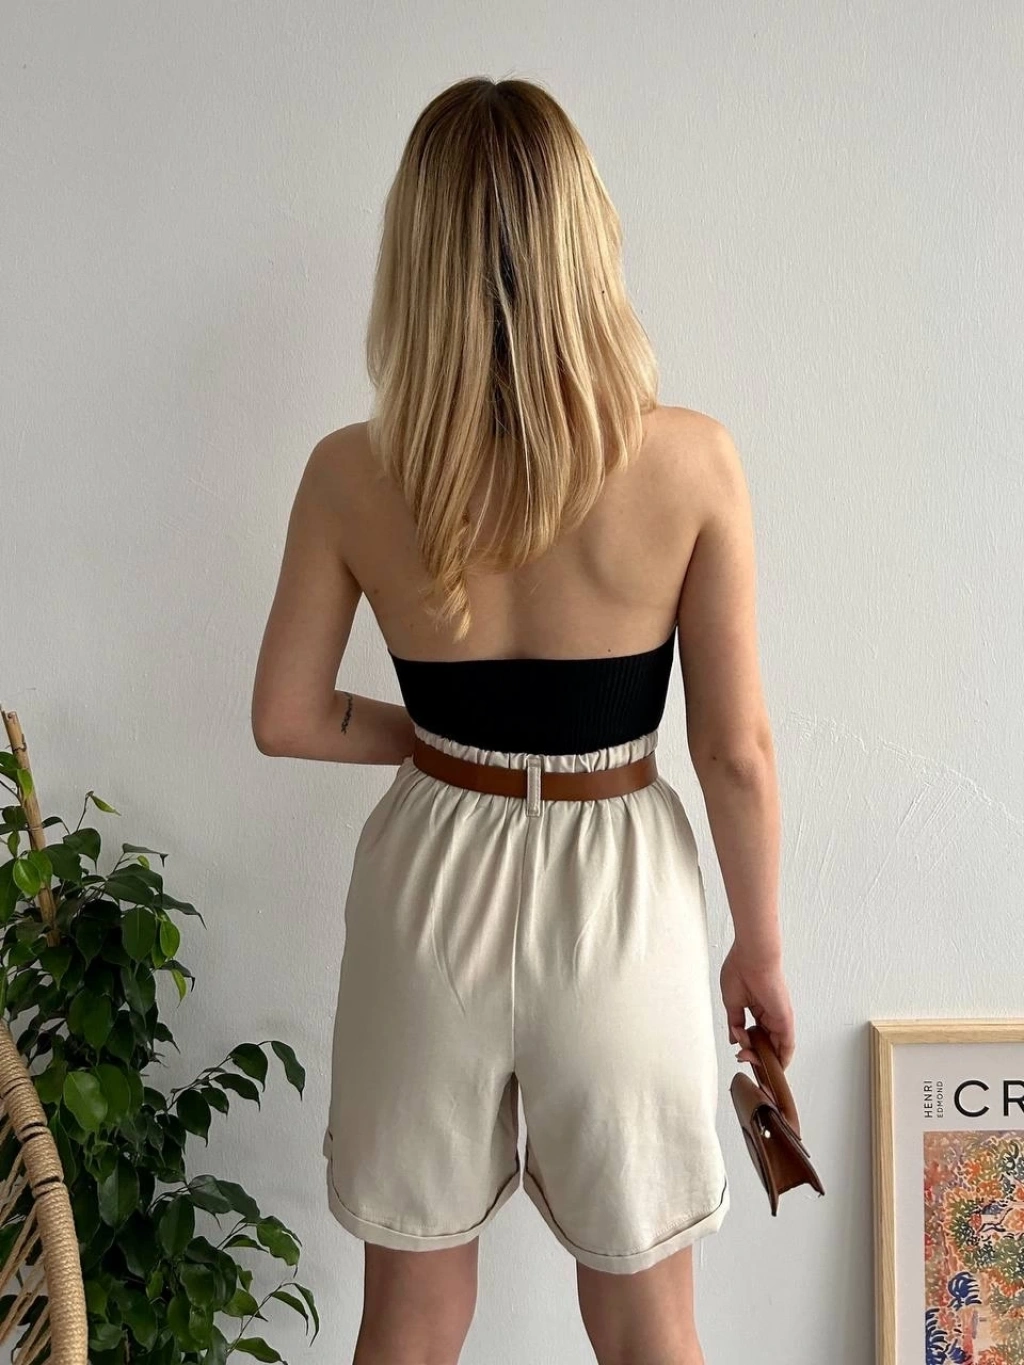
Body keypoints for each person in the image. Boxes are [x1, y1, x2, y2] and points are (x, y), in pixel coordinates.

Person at [251, 74, 794, 1365]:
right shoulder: (691, 461)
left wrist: (438, 749)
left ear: (416, 253)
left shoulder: (351, 469)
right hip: (623, 888)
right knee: (649, 1321)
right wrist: (760, 951)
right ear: (584, 238)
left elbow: (286, 717)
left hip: (429, 882)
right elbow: (732, 753)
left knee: (411, 1317)